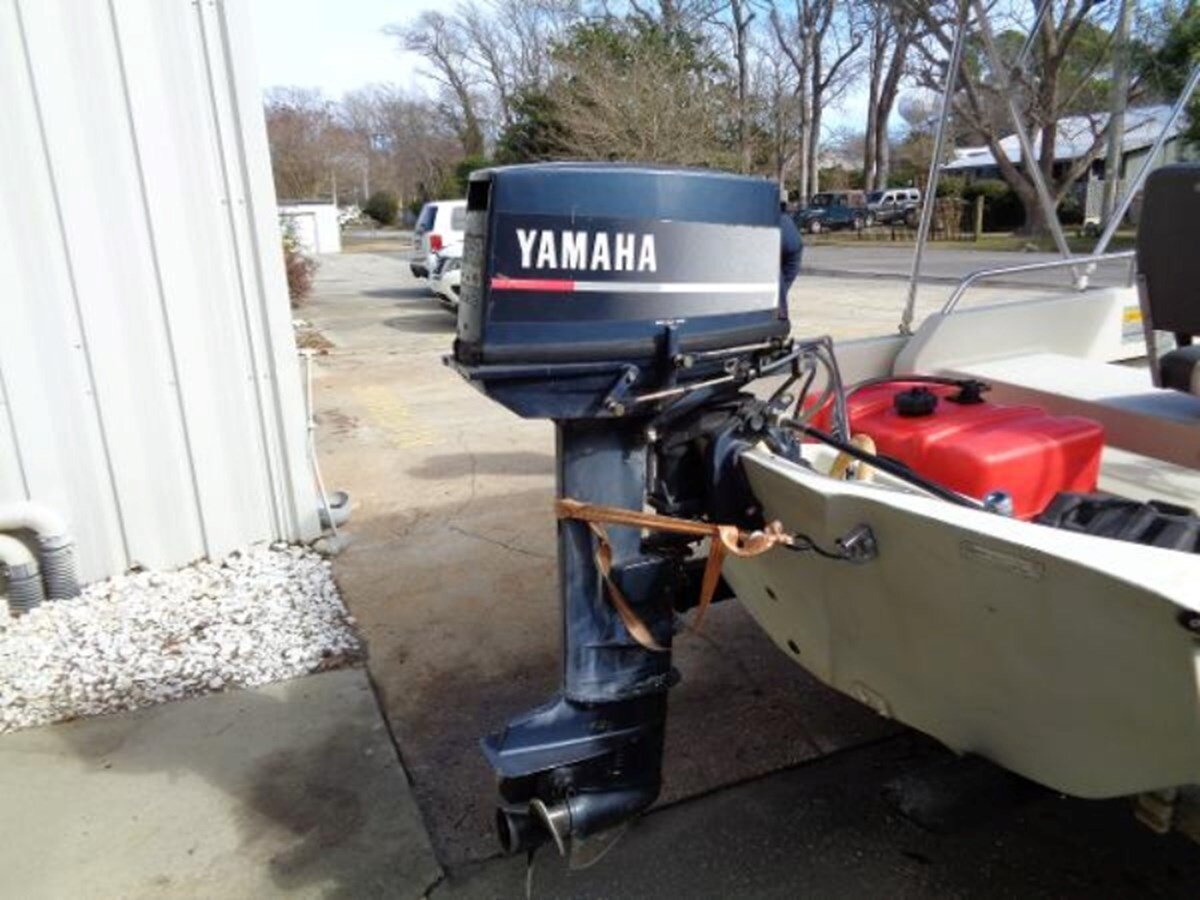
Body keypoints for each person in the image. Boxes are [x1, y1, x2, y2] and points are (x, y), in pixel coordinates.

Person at [779, 190, 803, 319]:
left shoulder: (770, 216)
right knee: (780, 288)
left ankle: (780, 314)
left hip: (781, 244)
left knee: (777, 289)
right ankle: (780, 313)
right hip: (795, 246)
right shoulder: (787, 218)